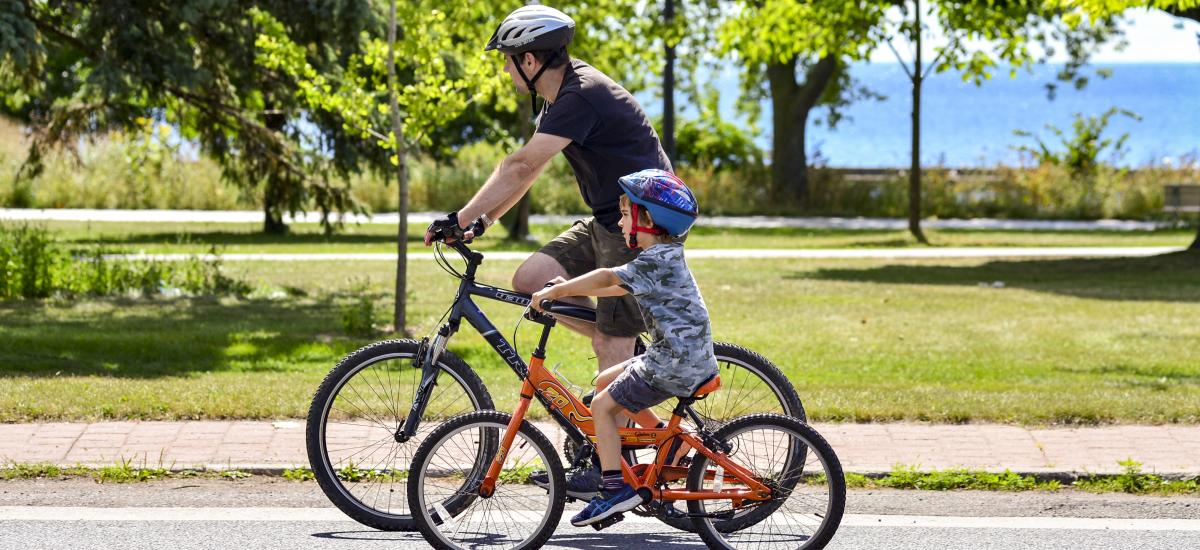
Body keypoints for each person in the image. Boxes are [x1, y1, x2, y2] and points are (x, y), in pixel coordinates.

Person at [424, 4, 673, 399]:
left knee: (610, 343)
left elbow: (518, 165)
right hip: (610, 221)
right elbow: (531, 169)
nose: (505, 71)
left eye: (508, 62)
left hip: (640, 229)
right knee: (530, 279)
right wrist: (484, 221)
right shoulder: (558, 98)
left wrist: (458, 217)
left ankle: (621, 447)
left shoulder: (581, 95)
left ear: (529, 59)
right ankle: (627, 347)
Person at [530, 169, 719, 527]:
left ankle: (613, 489)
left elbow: (609, 278)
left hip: (673, 363)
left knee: (601, 407)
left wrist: (555, 291)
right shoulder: (663, 256)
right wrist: (566, 287)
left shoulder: (654, 260)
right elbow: (616, 285)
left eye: (625, 214)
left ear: (647, 219)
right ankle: (672, 440)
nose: (619, 222)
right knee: (605, 381)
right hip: (675, 354)